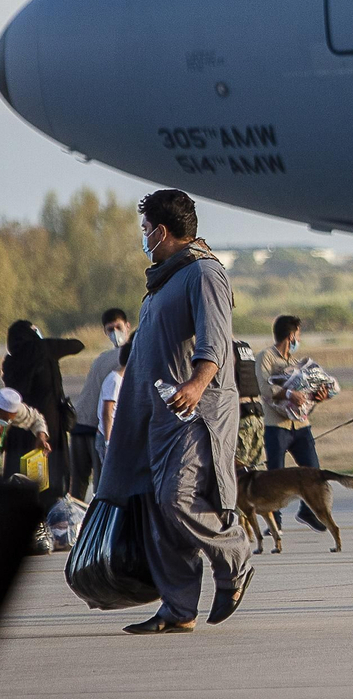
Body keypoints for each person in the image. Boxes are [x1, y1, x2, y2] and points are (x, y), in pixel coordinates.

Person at [98, 189, 252, 634]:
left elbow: (215, 338)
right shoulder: (164, 281)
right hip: (158, 416)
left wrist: (197, 383)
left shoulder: (204, 273)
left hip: (194, 412)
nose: (143, 236)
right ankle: (178, 607)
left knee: (176, 498)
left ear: (162, 231)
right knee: (156, 506)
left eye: (146, 229)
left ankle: (235, 555)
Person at [257, 314, 333, 533]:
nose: (299, 339)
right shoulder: (266, 357)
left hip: (300, 426)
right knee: (275, 476)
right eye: (298, 334)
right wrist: (289, 393)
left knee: (313, 471)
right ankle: (275, 522)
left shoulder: (295, 362)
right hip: (276, 426)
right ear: (291, 336)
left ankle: (308, 512)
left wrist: (317, 397)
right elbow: (264, 388)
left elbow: (305, 393)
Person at [1, 320, 83, 505]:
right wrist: (42, 340)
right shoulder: (44, 349)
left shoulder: (10, 361)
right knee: (50, 473)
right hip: (49, 425)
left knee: (20, 474)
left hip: (19, 424)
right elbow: (77, 345)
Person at [73, 309, 130, 499]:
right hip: (97, 428)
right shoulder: (126, 357)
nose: (115, 333)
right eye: (111, 329)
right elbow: (108, 409)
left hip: (79, 424)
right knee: (102, 486)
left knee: (78, 486)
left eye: (118, 327)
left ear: (127, 326)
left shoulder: (101, 357)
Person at [97, 334, 132, 470]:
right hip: (108, 437)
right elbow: (107, 412)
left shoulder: (124, 380)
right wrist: (108, 442)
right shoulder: (115, 380)